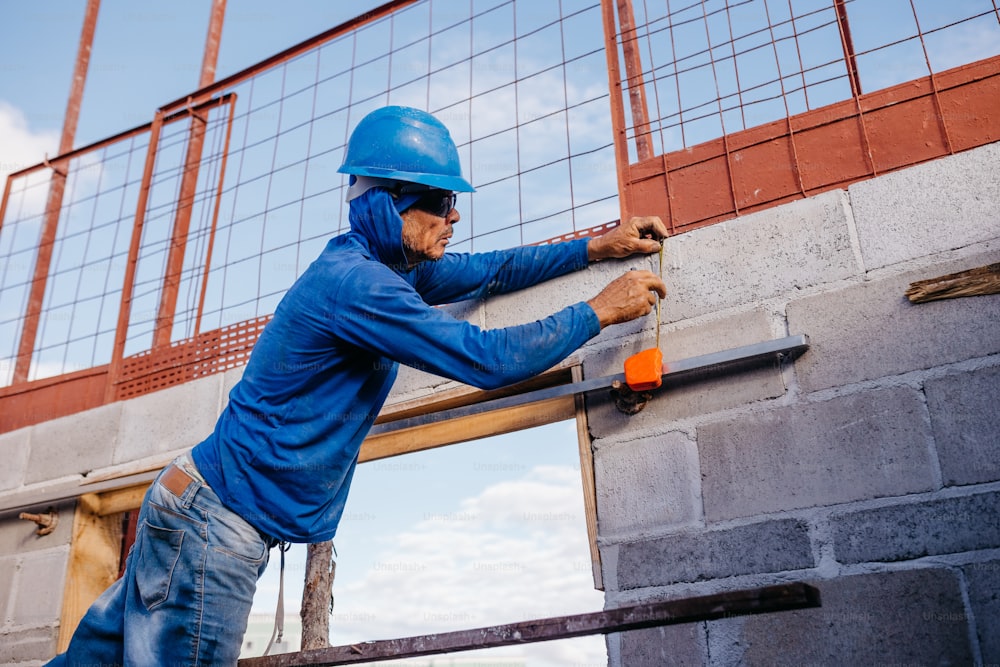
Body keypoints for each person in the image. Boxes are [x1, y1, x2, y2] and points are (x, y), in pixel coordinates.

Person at [48, 105, 667, 665]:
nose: (453, 217)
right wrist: (598, 310)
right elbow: (488, 359)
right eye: (438, 202)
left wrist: (594, 247)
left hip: (191, 506)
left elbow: (489, 270)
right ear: (386, 203)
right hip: (215, 524)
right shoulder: (360, 287)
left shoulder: (378, 268)